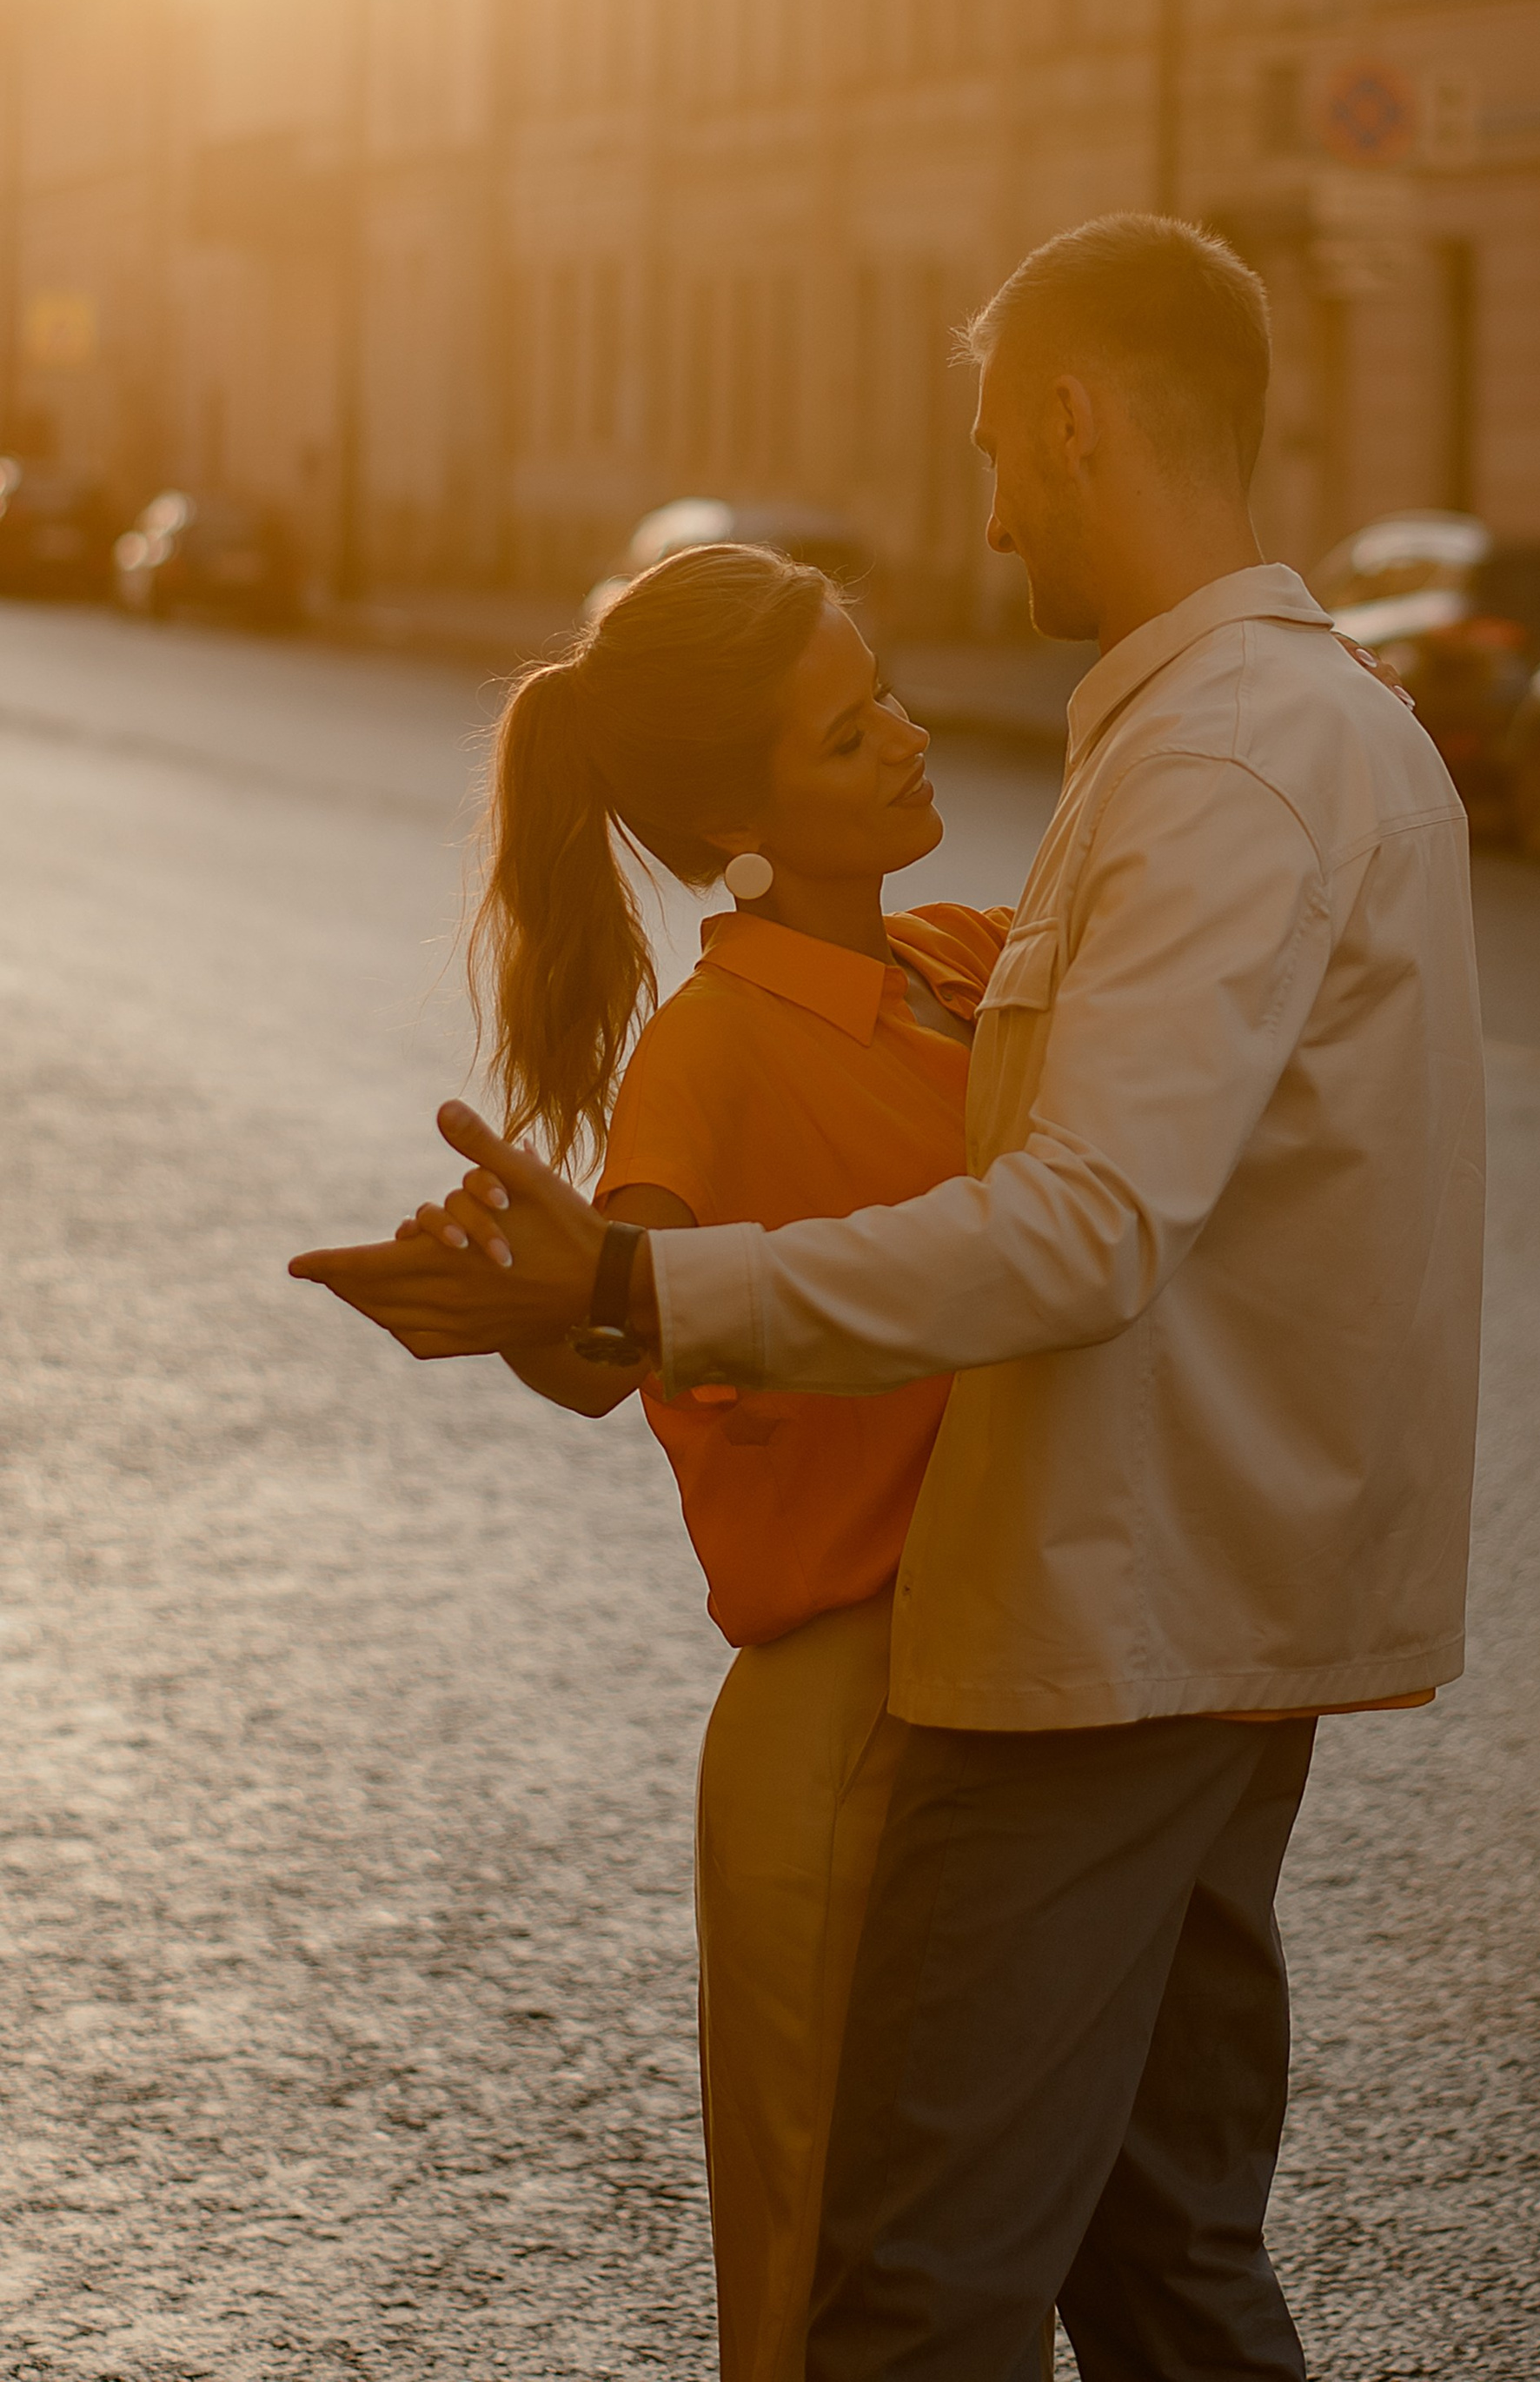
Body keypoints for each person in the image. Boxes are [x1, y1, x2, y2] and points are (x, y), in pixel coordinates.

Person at [295, 210, 1488, 2382]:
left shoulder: (1202, 767)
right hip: (1059, 1630)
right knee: (1124, 2270)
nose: (988, 506)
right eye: (849, 730)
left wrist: (628, 1287)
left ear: (1066, 415)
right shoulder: (1220, 744)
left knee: (939, 2293)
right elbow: (671, 1300)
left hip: (1105, 1626)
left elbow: (1088, 1219)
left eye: (990, 447)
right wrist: (583, 1300)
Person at [445, 535, 1012, 2382]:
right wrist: (541, 1297)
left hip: (1017, 1677)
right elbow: (615, 1340)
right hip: (837, 1735)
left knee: (998, 2249)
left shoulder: (966, 960)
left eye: (885, 692)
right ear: (733, 816)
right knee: (819, 2279)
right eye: (852, 739)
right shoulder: (708, 1053)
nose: (911, 740)